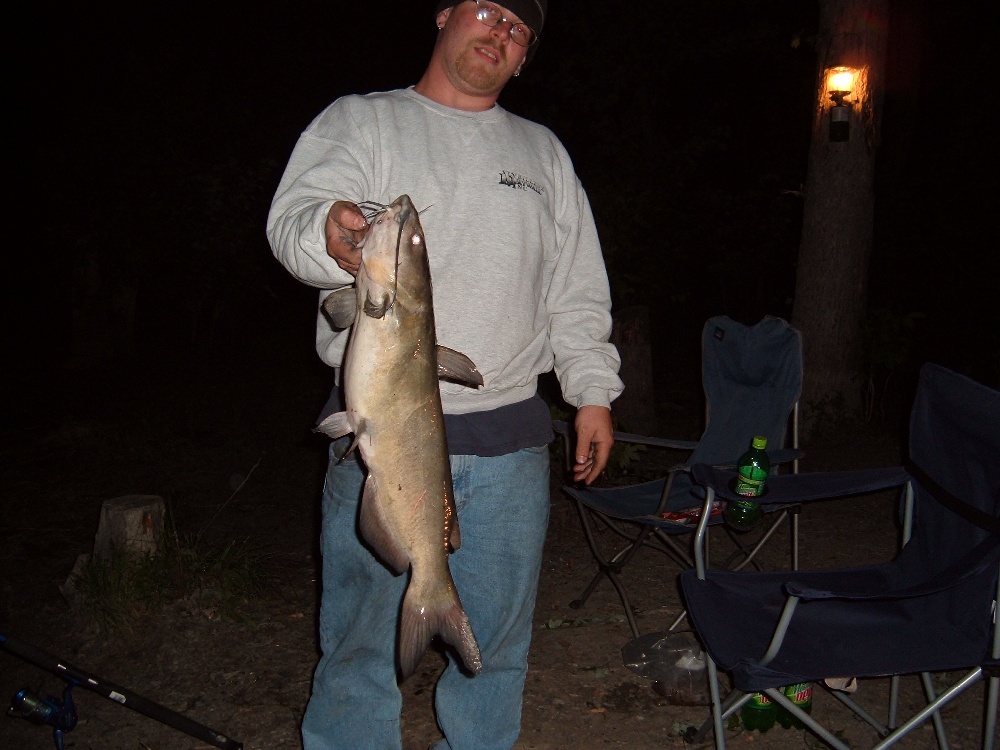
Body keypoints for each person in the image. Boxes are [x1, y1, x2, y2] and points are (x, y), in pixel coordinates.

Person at [266, 2, 623, 748]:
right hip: (374, 446)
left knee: (493, 654)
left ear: (525, 57)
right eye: (486, 10)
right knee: (359, 647)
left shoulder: (542, 153)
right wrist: (329, 231)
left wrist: (592, 391)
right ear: (444, 16)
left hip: (509, 447)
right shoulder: (362, 122)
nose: (498, 33)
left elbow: (576, 287)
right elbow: (293, 222)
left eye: (517, 29)